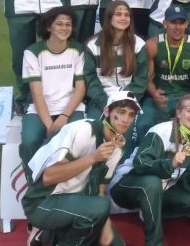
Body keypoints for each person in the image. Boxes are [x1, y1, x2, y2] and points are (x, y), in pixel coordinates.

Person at [23, 91, 141, 246]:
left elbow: (99, 187)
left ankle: (46, 233)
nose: (125, 120)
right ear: (107, 112)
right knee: (98, 208)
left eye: (131, 115)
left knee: (115, 243)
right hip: (42, 202)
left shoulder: (118, 146)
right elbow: (49, 177)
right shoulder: (84, 131)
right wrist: (93, 158)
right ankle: (50, 232)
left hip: (78, 205)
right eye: (121, 112)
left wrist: (106, 227)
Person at [109, 94, 190, 246]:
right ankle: (155, 242)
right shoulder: (161, 130)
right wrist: (170, 164)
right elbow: (140, 164)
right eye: (189, 110)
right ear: (179, 113)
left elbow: (189, 185)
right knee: (152, 183)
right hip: (126, 186)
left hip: (161, 191)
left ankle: (147, 212)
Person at [19, 6, 86, 183]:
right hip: (40, 110)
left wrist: (64, 116)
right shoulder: (32, 52)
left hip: (70, 108)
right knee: (29, 141)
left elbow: (80, 88)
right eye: (59, 24)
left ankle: (72, 185)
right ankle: (34, 183)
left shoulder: (78, 50)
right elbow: (36, 92)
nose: (64, 28)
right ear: (48, 27)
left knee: (78, 140)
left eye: (68, 24)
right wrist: (49, 124)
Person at [84, 0, 148, 156]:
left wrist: (124, 102)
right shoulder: (92, 45)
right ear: (109, 18)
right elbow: (90, 79)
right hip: (101, 99)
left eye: (127, 15)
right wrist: (105, 102)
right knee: (95, 127)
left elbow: (140, 80)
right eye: (118, 14)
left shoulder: (138, 44)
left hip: (129, 98)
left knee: (129, 125)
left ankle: (123, 166)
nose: (123, 18)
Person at [138, 4, 190, 138]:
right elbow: (146, 77)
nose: (177, 27)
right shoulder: (152, 45)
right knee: (143, 123)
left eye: (181, 23)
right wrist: (154, 93)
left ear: (187, 24)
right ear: (165, 23)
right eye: (173, 22)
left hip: (185, 96)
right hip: (160, 96)